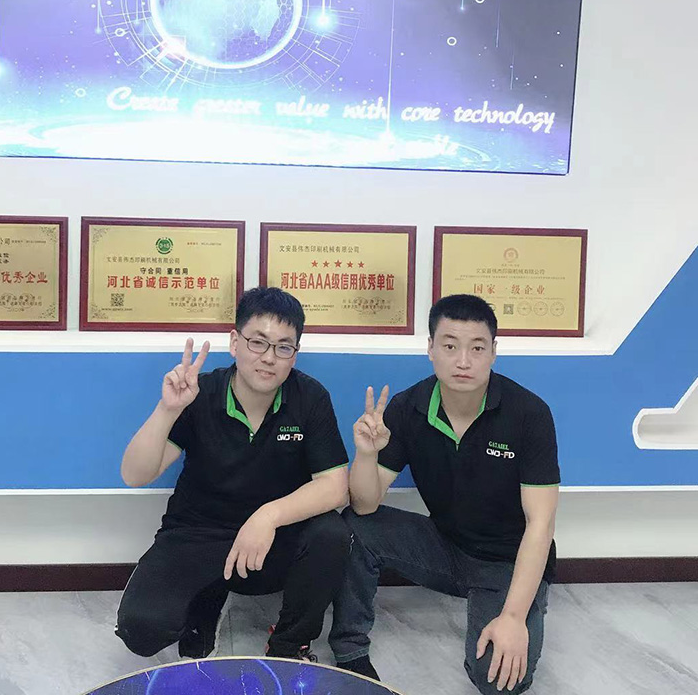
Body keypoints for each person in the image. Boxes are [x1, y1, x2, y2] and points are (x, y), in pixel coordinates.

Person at [330, 294, 560, 694]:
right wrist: (366, 455)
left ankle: (524, 603)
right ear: (431, 349)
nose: (463, 361)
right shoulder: (408, 407)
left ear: (493, 352)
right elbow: (365, 505)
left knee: (500, 683)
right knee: (351, 526)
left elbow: (541, 523)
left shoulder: (529, 414)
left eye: (477, 348)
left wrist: (512, 617)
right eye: (450, 346)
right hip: (444, 545)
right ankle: (350, 651)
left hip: (505, 562)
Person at [116, 287, 351, 662]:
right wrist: (167, 409)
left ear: (294, 354)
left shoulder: (310, 397)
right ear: (234, 342)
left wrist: (268, 516)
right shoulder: (201, 392)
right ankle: (208, 598)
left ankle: (289, 644)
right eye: (258, 342)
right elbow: (135, 474)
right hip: (198, 532)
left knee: (331, 534)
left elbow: (335, 487)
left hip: (272, 540)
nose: (269, 358)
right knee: (141, 631)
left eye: (283, 347)